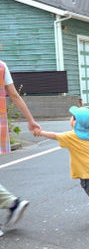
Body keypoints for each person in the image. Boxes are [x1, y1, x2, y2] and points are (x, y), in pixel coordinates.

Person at [36, 106, 89, 224]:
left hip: (87, 171)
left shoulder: (72, 136)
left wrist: (40, 132)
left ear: (76, 122)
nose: (70, 119)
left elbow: (55, 136)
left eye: (72, 117)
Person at [0, 59, 39, 236]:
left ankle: (12, 202)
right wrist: (30, 120)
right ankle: (12, 202)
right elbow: (14, 95)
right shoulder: (2, 66)